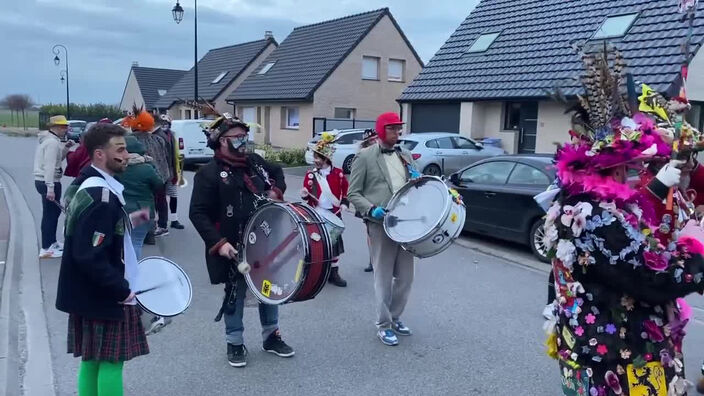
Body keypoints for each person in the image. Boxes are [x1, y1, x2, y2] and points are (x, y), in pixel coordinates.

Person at [544, 49, 704, 396]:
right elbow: (653, 275)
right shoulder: (592, 216)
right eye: (630, 167)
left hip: (595, 355)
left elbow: (628, 232)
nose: (635, 175)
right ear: (610, 168)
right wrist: (695, 246)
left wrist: (659, 189)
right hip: (618, 364)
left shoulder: (581, 204)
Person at [190, 115, 293, 368]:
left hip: (265, 239)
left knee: (269, 289)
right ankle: (234, 342)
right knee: (235, 293)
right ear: (222, 141)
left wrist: (275, 191)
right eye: (237, 137)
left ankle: (271, 337)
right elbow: (198, 213)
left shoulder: (254, 162)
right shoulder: (208, 173)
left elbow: (277, 172)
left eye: (244, 136)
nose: (243, 141)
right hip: (232, 243)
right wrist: (219, 243)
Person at [55, 123, 151, 396]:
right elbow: (89, 255)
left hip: (88, 293)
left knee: (93, 360)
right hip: (104, 294)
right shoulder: (102, 197)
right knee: (111, 362)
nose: (127, 155)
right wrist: (121, 289)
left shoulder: (86, 185)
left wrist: (129, 219)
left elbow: (94, 233)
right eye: (119, 150)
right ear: (99, 155)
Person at [348, 112, 420, 346]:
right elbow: (353, 193)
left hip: (406, 223)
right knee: (383, 276)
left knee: (406, 277)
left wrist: (418, 179)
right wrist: (370, 210)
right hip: (380, 224)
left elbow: (415, 186)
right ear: (381, 130)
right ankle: (383, 324)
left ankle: (395, 316)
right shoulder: (365, 157)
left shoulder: (405, 155)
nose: (398, 133)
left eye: (399, 129)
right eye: (392, 129)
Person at [300, 132, 349, 287]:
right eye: (315, 157)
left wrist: (345, 203)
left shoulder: (339, 174)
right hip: (316, 213)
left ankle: (334, 273)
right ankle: (317, 273)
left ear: (326, 159)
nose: (315, 160)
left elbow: (345, 191)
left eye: (318, 157)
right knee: (316, 244)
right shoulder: (310, 175)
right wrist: (304, 195)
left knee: (334, 244)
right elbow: (307, 194)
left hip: (333, 213)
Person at [123, 107, 171, 238]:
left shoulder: (131, 140)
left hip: (143, 175)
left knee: (144, 202)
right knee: (160, 202)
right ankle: (162, 225)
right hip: (161, 175)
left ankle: (146, 230)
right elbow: (167, 156)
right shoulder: (158, 139)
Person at [33, 115, 74, 258]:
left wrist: (66, 149)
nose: (66, 129)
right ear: (54, 127)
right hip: (49, 181)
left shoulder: (51, 141)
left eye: (66, 126)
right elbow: (49, 166)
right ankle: (46, 248)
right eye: (63, 127)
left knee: (52, 213)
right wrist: (50, 187)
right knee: (50, 215)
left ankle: (52, 242)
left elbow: (57, 160)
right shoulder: (52, 143)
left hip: (43, 181)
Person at [120, 136, 163, 258]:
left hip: (122, 210)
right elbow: (159, 184)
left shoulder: (118, 168)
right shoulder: (147, 168)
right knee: (136, 242)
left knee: (124, 242)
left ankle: (124, 269)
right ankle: (134, 270)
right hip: (142, 210)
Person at [156, 115, 185, 230]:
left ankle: (174, 219)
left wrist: (178, 172)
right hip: (160, 171)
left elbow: (176, 154)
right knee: (159, 197)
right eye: (162, 123)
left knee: (173, 195)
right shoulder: (155, 136)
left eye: (166, 123)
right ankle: (160, 222)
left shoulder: (172, 135)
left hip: (171, 170)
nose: (164, 125)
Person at [358, 128, 378, 273]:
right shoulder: (361, 157)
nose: (375, 142)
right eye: (372, 140)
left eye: (376, 139)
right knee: (370, 231)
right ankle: (372, 260)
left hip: (383, 197)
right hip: (368, 199)